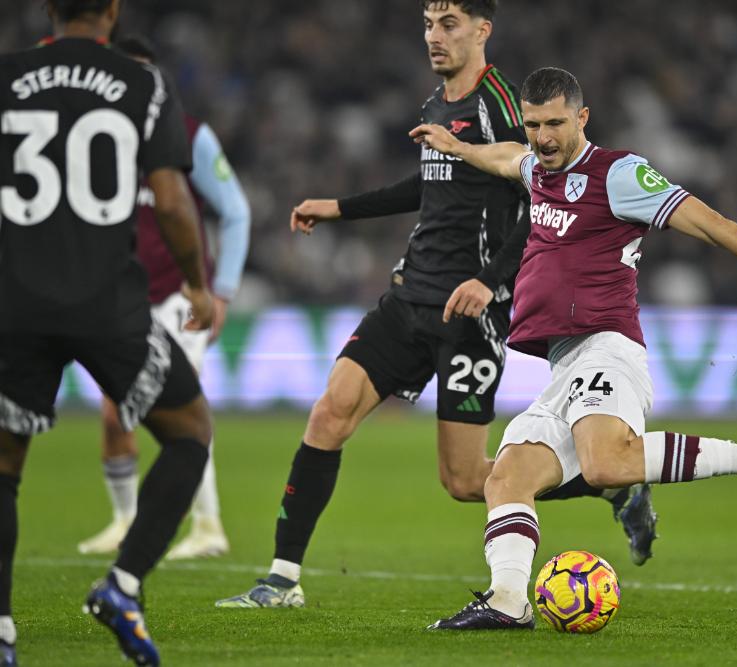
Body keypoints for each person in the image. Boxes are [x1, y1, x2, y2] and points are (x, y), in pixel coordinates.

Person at [217, 0, 656, 610]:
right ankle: (282, 579)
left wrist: (488, 280)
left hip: (473, 312)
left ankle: (609, 488)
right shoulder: (436, 105)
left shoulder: (504, 107)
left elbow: (540, 203)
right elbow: (428, 185)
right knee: (328, 415)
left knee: (462, 479)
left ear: (483, 29)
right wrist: (340, 207)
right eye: (428, 24)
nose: (434, 37)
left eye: (448, 25)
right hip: (411, 295)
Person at [409, 67, 737, 630]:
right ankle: (507, 600)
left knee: (606, 464)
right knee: (505, 477)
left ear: (582, 117)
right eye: (533, 125)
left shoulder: (618, 174)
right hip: (563, 366)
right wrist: (457, 146)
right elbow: (504, 157)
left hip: (607, 347)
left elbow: (712, 224)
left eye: (555, 123)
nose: (543, 137)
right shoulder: (536, 166)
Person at [0, 1, 215, 663]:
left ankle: (2, 629)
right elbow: (174, 201)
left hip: (15, 302)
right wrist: (197, 284)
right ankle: (123, 583)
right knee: (189, 432)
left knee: (4, 469)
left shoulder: (6, 78)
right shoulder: (141, 83)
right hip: (108, 302)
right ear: (113, 11)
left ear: (47, 9)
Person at [77, 35, 251, 560]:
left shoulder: (189, 135)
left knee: (183, 403)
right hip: (120, 297)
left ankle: (208, 525)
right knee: (113, 414)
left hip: (179, 296)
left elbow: (236, 211)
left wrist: (220, 292)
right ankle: (125, 519)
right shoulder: (94, 141)